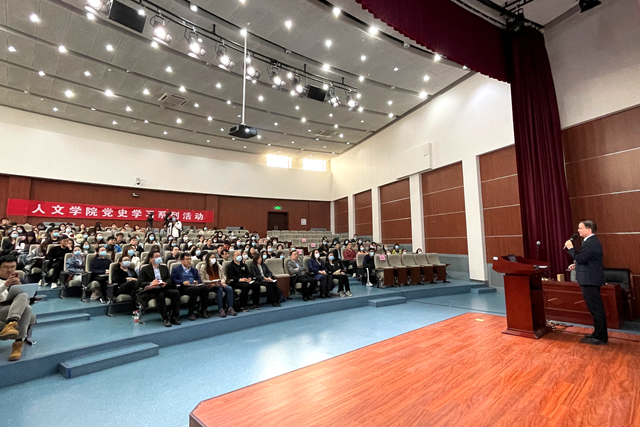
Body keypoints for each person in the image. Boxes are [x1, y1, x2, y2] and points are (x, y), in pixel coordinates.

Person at [565, 220, 608, 345]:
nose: (578, 230)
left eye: (581, 228)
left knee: (596, 309)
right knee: (595, 308)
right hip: (590, 278)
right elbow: (587, 260)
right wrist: (576, 265)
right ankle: (597, 334)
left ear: (589, 229)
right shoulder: (589, 242)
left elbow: (581, 258)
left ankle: (600, 337)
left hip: (590, 280)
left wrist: (570, 248)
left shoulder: (591, 242)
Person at [0, 256, 37, 361]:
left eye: (13, 267)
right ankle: (18, 344)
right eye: (6, 267)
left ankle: (11, 324)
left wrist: (20, 287)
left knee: (26, 304)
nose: (10, 270)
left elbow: (31, 296)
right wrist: (5, 285)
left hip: (14, 309)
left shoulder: (19, 279)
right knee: (26, 309)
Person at [138, 250, 181, 327]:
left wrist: (166, 283)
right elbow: (141, 282)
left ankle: (174, 316)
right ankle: (165, 318)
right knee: (160, 295)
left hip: (163, 287)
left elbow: (169, 278)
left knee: (176, 293)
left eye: (159, 256)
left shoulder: (164, 267)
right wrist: (151, 283)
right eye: (156, 256)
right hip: (152, 289)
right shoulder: (145, 269)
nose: (159, 258)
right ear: (151, 259)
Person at [171, 253, 209, 321]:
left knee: (205, 288)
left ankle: (203, 310)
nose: (189, 261)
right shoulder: (176, 269)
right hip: (183, 287)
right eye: (187, 259)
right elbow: (174, 280)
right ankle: (191, 312)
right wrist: (183, 282)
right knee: (195, 289)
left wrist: (197, 281)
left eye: (190, 259)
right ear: (182, 261)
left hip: (193, 285)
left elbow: (199, 279)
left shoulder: (194, 270)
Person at [198, 252, 236, 318]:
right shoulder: (203, 268)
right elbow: (203, 280)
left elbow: (223, 276)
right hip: (210, 285)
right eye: (212, 258)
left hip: (219, 283)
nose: (214, 259)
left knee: (229, 288)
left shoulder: (218, 266)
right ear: (208, 259)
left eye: (215, 258)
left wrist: (222, 281)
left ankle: (230, 308)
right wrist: (213, 283)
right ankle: (221, 309)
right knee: (219, 289)